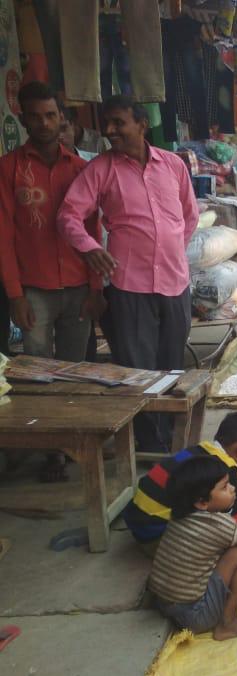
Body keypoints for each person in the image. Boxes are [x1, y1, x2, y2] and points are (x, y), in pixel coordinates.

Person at [57, 94, 199, 454]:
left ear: (141, 124)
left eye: (118, 122)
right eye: (108, 123)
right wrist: (90, 248)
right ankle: (150, 445)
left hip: (174, 283)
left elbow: (189, 216)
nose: (109, 130)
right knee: (138, 370)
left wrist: (169, 250)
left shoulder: (172, 165)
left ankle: (168, 440)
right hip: (129, 286)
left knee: (169, 368)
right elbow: (68, 216)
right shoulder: (101, 169)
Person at [0, 82, 105, 482]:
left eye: (50, 115)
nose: (44, 123)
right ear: (22, 118)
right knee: (38, 370)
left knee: (75, 369)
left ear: (62, 117)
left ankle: (71, 443)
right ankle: (48, 451)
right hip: (35, 290)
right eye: (35, 116)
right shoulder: (8, 169)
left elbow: (93, 232)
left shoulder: (81, 170)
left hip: (78, 285)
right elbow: (4, 238)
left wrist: (96, 289)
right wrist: (15, 295)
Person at [148, 455, 237, 640]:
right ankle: (228, 623)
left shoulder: (179, 516)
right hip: (194, 615)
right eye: (225, 487)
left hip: (164, 603)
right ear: (202, 502)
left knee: (235, 546)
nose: (233, 488)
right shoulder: (217, 525)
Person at [122, 412, 237, 554]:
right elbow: (230, 532)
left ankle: (229, 514)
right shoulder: (228, 475)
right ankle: (228, 517)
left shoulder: (198, 450)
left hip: (140, 524)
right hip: (160, 540)